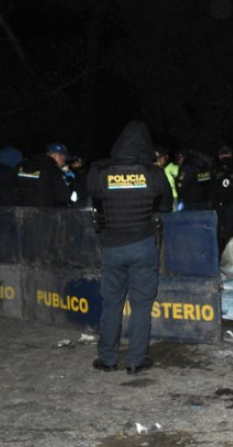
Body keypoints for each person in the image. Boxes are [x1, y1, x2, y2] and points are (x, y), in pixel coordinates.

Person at [86, 120, 172, 375]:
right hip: (143, 245)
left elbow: (93, 197)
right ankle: (135, 361)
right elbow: (167, 205)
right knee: (141, 304)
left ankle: (107, 359)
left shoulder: (100, 171)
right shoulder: (154, 173)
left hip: (112, 246)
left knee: (111, 303)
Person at [209, 145, 233, 253]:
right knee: (229, 229)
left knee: (219, 229)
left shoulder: (216, 168)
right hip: (231, 202)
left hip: (221, 203)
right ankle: (228, 252)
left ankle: (220, 252)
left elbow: (211, 187)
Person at [15, 143, 71, 207]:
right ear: (56, 155)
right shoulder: (52, 169)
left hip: (20, 212)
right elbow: (63, 196)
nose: (64, 161)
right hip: (44, 212)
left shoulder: (22, 165)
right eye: (63, 157)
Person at [154, 146, 179, 210]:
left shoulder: (173, 167)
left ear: (166, 156)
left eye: (160, 157)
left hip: (173, 198)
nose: (158, 160)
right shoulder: (154, 169)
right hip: (158, 198)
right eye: (157, 158)